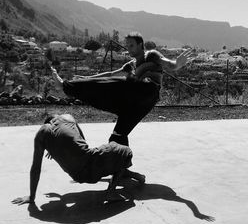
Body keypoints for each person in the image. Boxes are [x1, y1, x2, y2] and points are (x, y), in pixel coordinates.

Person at [50, 32, 194, 147]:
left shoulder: (151, 55)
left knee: (123, 82)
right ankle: (121, 167)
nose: (128, 49)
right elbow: (110, 74)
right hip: (136, 104)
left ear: (140, 45)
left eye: (131, 45)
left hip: (148, 92)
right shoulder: (130, 64)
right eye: (127, 45)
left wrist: (177, 64)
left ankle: (64, 86)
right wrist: (86, 78)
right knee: (117, 136)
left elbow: (169, 64)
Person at [11, 113, 144, 205]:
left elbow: (36, 168)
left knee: (112, 161)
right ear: (56, 118)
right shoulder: (68, 117)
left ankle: (136, 176)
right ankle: (111, 192)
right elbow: (82, 141)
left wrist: (31, 197)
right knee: (124, 152)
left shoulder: (42, 134)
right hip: (90, 165)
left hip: (78, 175)